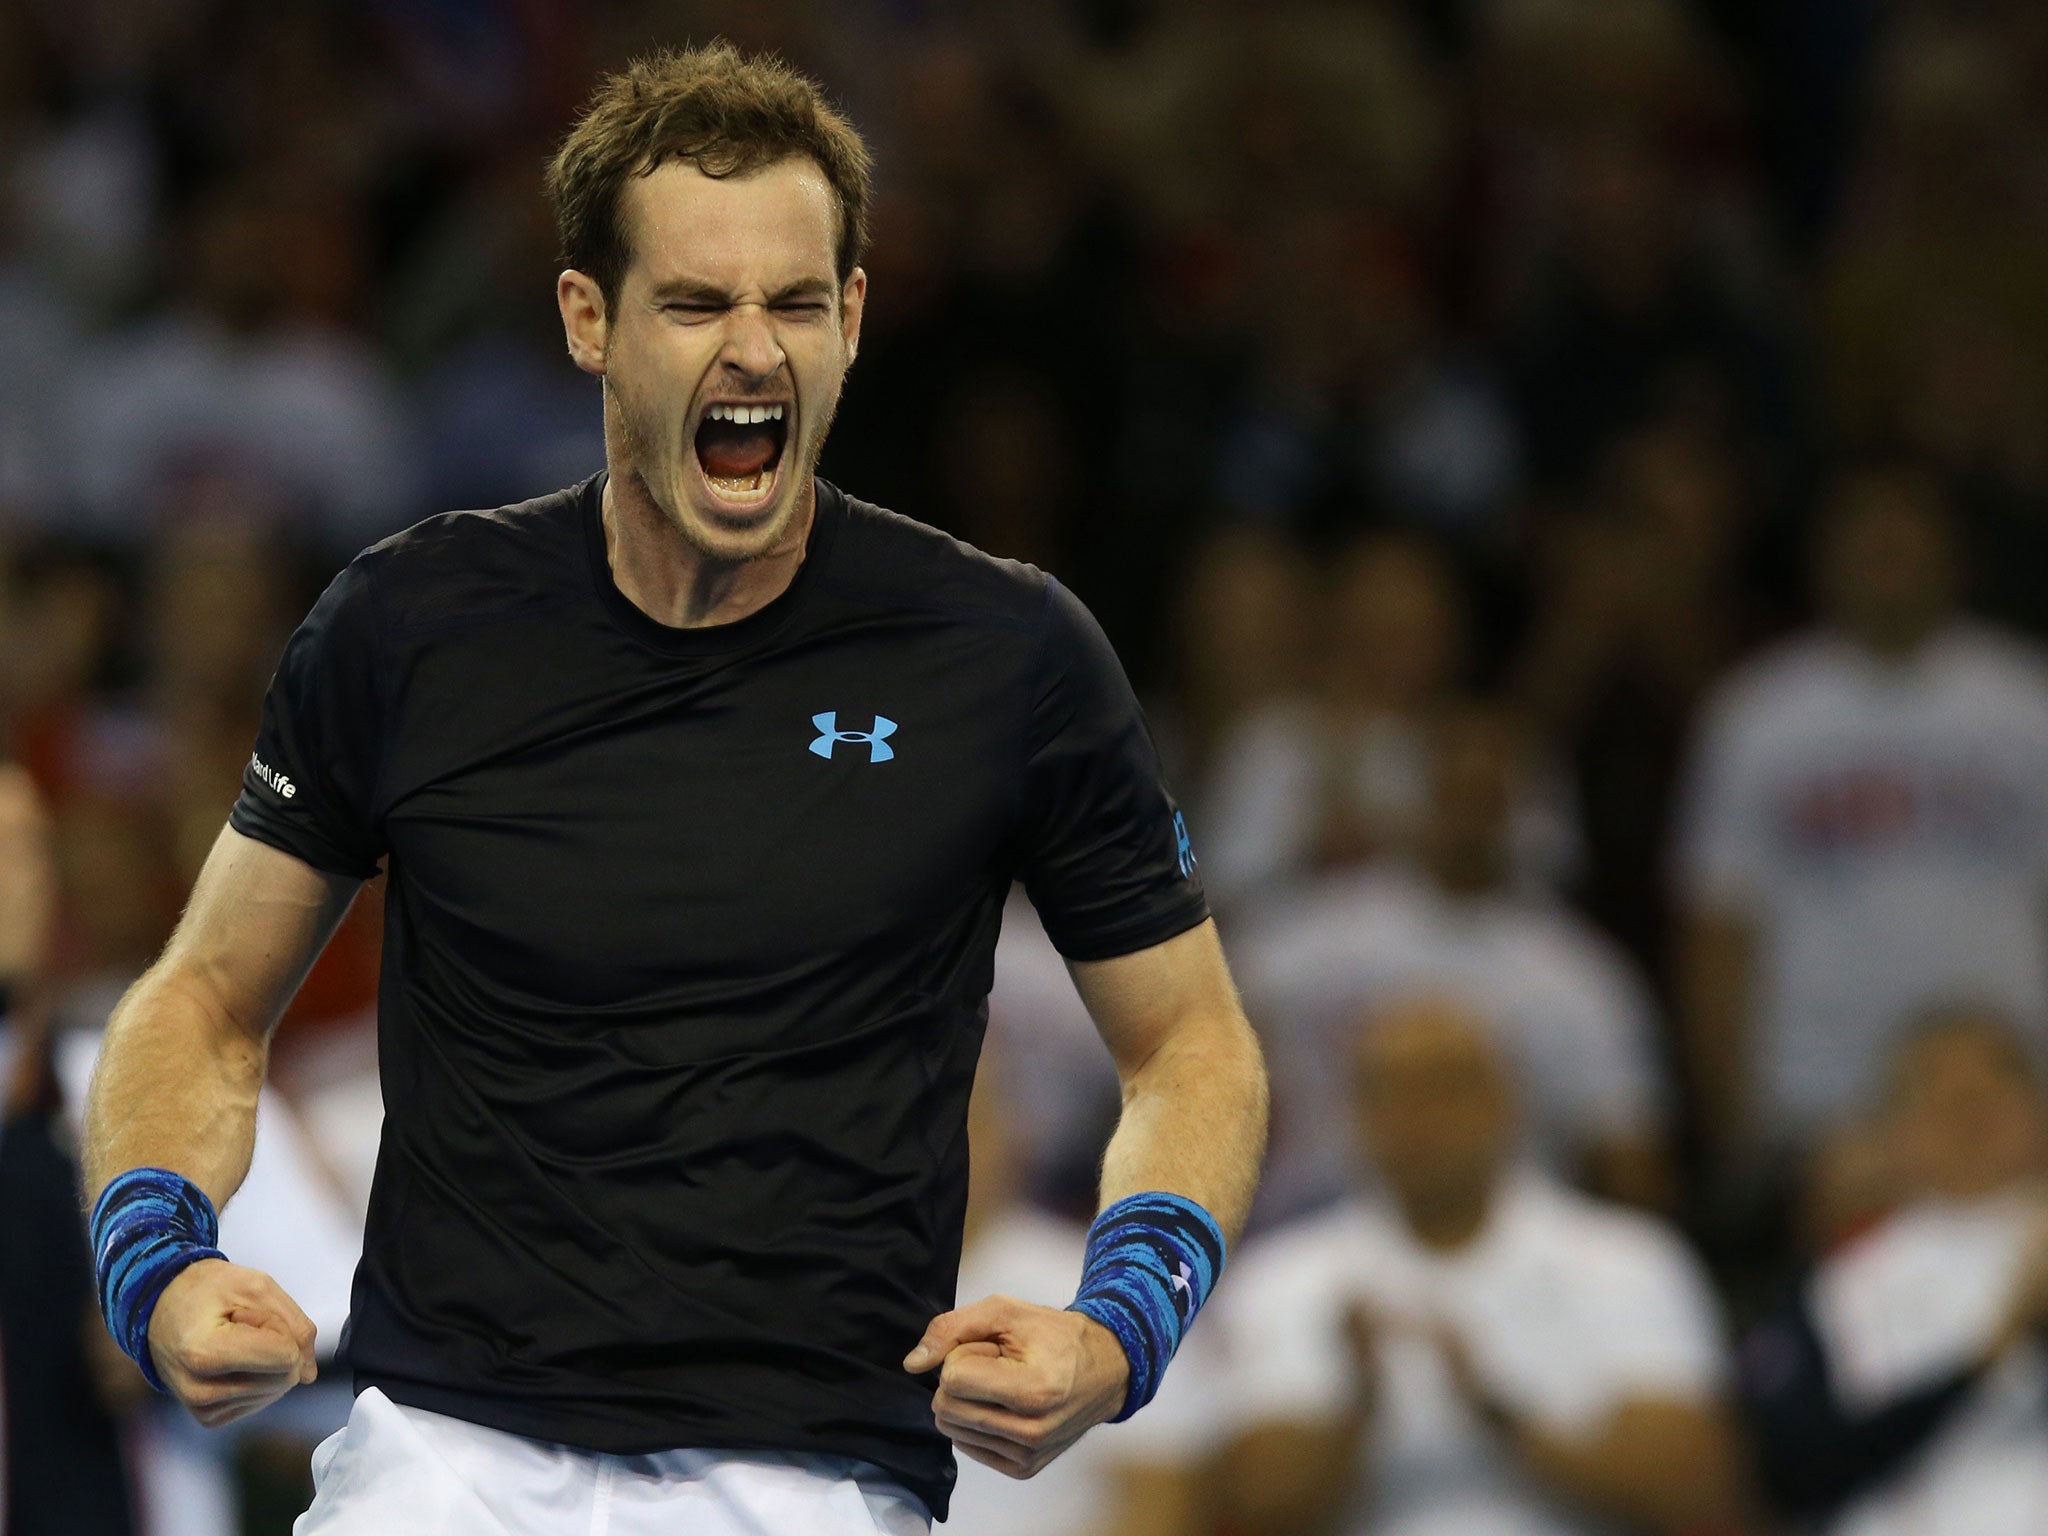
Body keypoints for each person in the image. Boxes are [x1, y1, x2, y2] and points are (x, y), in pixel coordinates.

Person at [77, 43, 1267, 1536]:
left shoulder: (1009, 653)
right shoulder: (411, 621)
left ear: (852, 320)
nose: (752, 349)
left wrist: (1124, 1326)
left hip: (819, 1478)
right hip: (447, 1459)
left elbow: (1193, 1046)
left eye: (794, 301)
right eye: (698, 302)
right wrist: (158, 1261)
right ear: (590, 319)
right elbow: (201, 999)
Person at [1216, 996, 1743, 1536]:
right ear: (1353, 1115)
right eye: (1388, 1092)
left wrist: (1500, 1413)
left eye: (1446, 1088)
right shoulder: (1281, 1278)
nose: (1418, 1118)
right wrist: (1357, 1402)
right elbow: (1254, 1515)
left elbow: (1695, 1497)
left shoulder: (1630, 1262)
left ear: (1509, 1100)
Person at [1676, 465, 2048, 1166]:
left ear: (1952, 553)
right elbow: (1719, 926)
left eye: (1907, 541)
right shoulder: (1757, 714)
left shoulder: (2028, 705)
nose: (1888, 558)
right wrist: (1731, 1115)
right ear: (1826, 557)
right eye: (1869, 542)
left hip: (2008, 1097)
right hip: (1820, 1106)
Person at [1242, 700, 1671, 1216]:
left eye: (1485, 796)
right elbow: (1192, 1028)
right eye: (1453, 791)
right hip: (1321, 1223)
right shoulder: (1317, 934)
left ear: (1521, 808)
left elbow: (1628, 1160)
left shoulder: (1575, 976)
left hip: (1500, 1245)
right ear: (1417, 796)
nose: (1467, 816)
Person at [1739, 1009, 2048, 1535]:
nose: (1970, 1120)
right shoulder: (1840, 1284)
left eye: (1992, 1092)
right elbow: (1794, 1471)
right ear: (1891, 1129)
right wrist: (1994, 1353)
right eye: (1940, 1098)